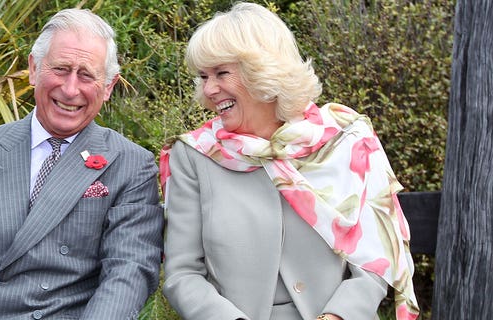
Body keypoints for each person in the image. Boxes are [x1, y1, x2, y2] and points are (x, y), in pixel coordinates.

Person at [0, 8, 164, 320]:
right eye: (61, 69)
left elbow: (129, 272)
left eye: (87, 75)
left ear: (108, 87)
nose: (71, 89)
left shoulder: (130, 164)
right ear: (34, 69)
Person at [159, 3, 418, 320]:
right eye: (203, 77)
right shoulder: (194, 155)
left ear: (262, 71)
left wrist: (336, 316)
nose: (209, 89)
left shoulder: (344, 139)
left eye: (221, 73)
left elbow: (374, 258)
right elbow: (182, 274)